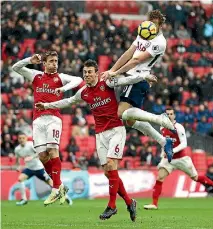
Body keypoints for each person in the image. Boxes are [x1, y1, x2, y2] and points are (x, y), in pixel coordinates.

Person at [36, 59, 157, 221]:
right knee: (109, 172)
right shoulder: (84, 92)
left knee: (110, 165)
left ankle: (112, 206)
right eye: (85, 72)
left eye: (90, 72)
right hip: (100, 134)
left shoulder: (107, 82)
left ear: (96, 73)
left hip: (116, 129)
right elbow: (68, 102)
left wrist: (145, 76)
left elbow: (126, 79)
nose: (87, 75)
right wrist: (47, 106)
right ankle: (129, 202)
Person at [101, 10, 174, 160]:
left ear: (160, 25)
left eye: (155, 23)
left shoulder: (160, 42)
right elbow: (129, 53)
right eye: (150, 22)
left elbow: (136, 61)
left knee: (121, 113)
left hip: (138, 78)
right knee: (130, 120)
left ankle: (160, 119)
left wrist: (116, 73)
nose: (151, 26)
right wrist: (112, 70)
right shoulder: (143, 32)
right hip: (131, 76)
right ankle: (163, 140)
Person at [12, 51, 83, 206]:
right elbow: (15, 67)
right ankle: (61, 186)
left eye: (56, 61)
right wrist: (29, 60)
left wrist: (63, 89)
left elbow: (78, 79)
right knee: (43, 156)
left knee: (52, 150)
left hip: (53, 118)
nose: (54, 64)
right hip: (37, 120)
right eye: (51, 61)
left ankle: (55, 188)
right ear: (44, 63)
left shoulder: (60, 77)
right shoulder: (36, 76)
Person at [144, 107, 213, 210]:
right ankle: (154, 204)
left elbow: (184, 144)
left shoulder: (179, 127)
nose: (169, 116)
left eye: (171, 114)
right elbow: (164, 143)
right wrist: (164, 152)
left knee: (196, 178)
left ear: (174, 115)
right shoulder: (162, 128)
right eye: (167, 114)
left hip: (181, 158)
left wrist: (172, 151)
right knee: (159, 178)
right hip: (169, 160)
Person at [14, 132, 73, 206]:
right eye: (20, 138)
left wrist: (31, 157)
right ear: (18, 139)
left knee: (52, 184)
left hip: (39, 168)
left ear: (26, 138)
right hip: (29, 168)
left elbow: (40, 153)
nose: (21, 140)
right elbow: (17, 160)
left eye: (23, 138)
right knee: (20, 179)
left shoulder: (31, 145)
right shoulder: (17, 149)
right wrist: (18, 166)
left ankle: (65, 196)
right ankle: (24, 199)